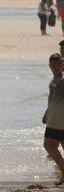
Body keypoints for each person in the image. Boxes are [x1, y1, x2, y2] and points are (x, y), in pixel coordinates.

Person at [45, 53, 64, 185]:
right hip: (53, 118)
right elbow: (52, 99)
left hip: (59, 120)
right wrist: (46, 113)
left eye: (58, 65)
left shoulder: (63, 80)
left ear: (63, 65)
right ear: (49, 66)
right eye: (52, 65)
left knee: (48, 145)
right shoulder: (53, 80)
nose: (55, 67)